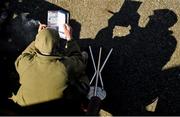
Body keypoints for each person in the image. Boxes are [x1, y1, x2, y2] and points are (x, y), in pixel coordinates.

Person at [10, 23, 89, 110]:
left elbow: (26, 54)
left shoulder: (24, 63)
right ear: (57, 46)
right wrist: (69, 38)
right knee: (81, 68)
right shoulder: (64, 67)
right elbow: (78, 60)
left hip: (23, 110)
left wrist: (39, 38)